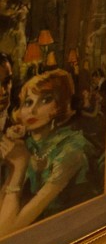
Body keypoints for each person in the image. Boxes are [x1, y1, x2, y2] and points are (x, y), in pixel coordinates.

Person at [0, 69, 99, 235]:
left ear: (59, 106)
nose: (33, 110)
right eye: (28, 102)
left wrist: (19, 167)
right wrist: (12, 163)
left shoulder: (71, 150)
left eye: (45, 100)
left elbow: (5, 230)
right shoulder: (27, 146)